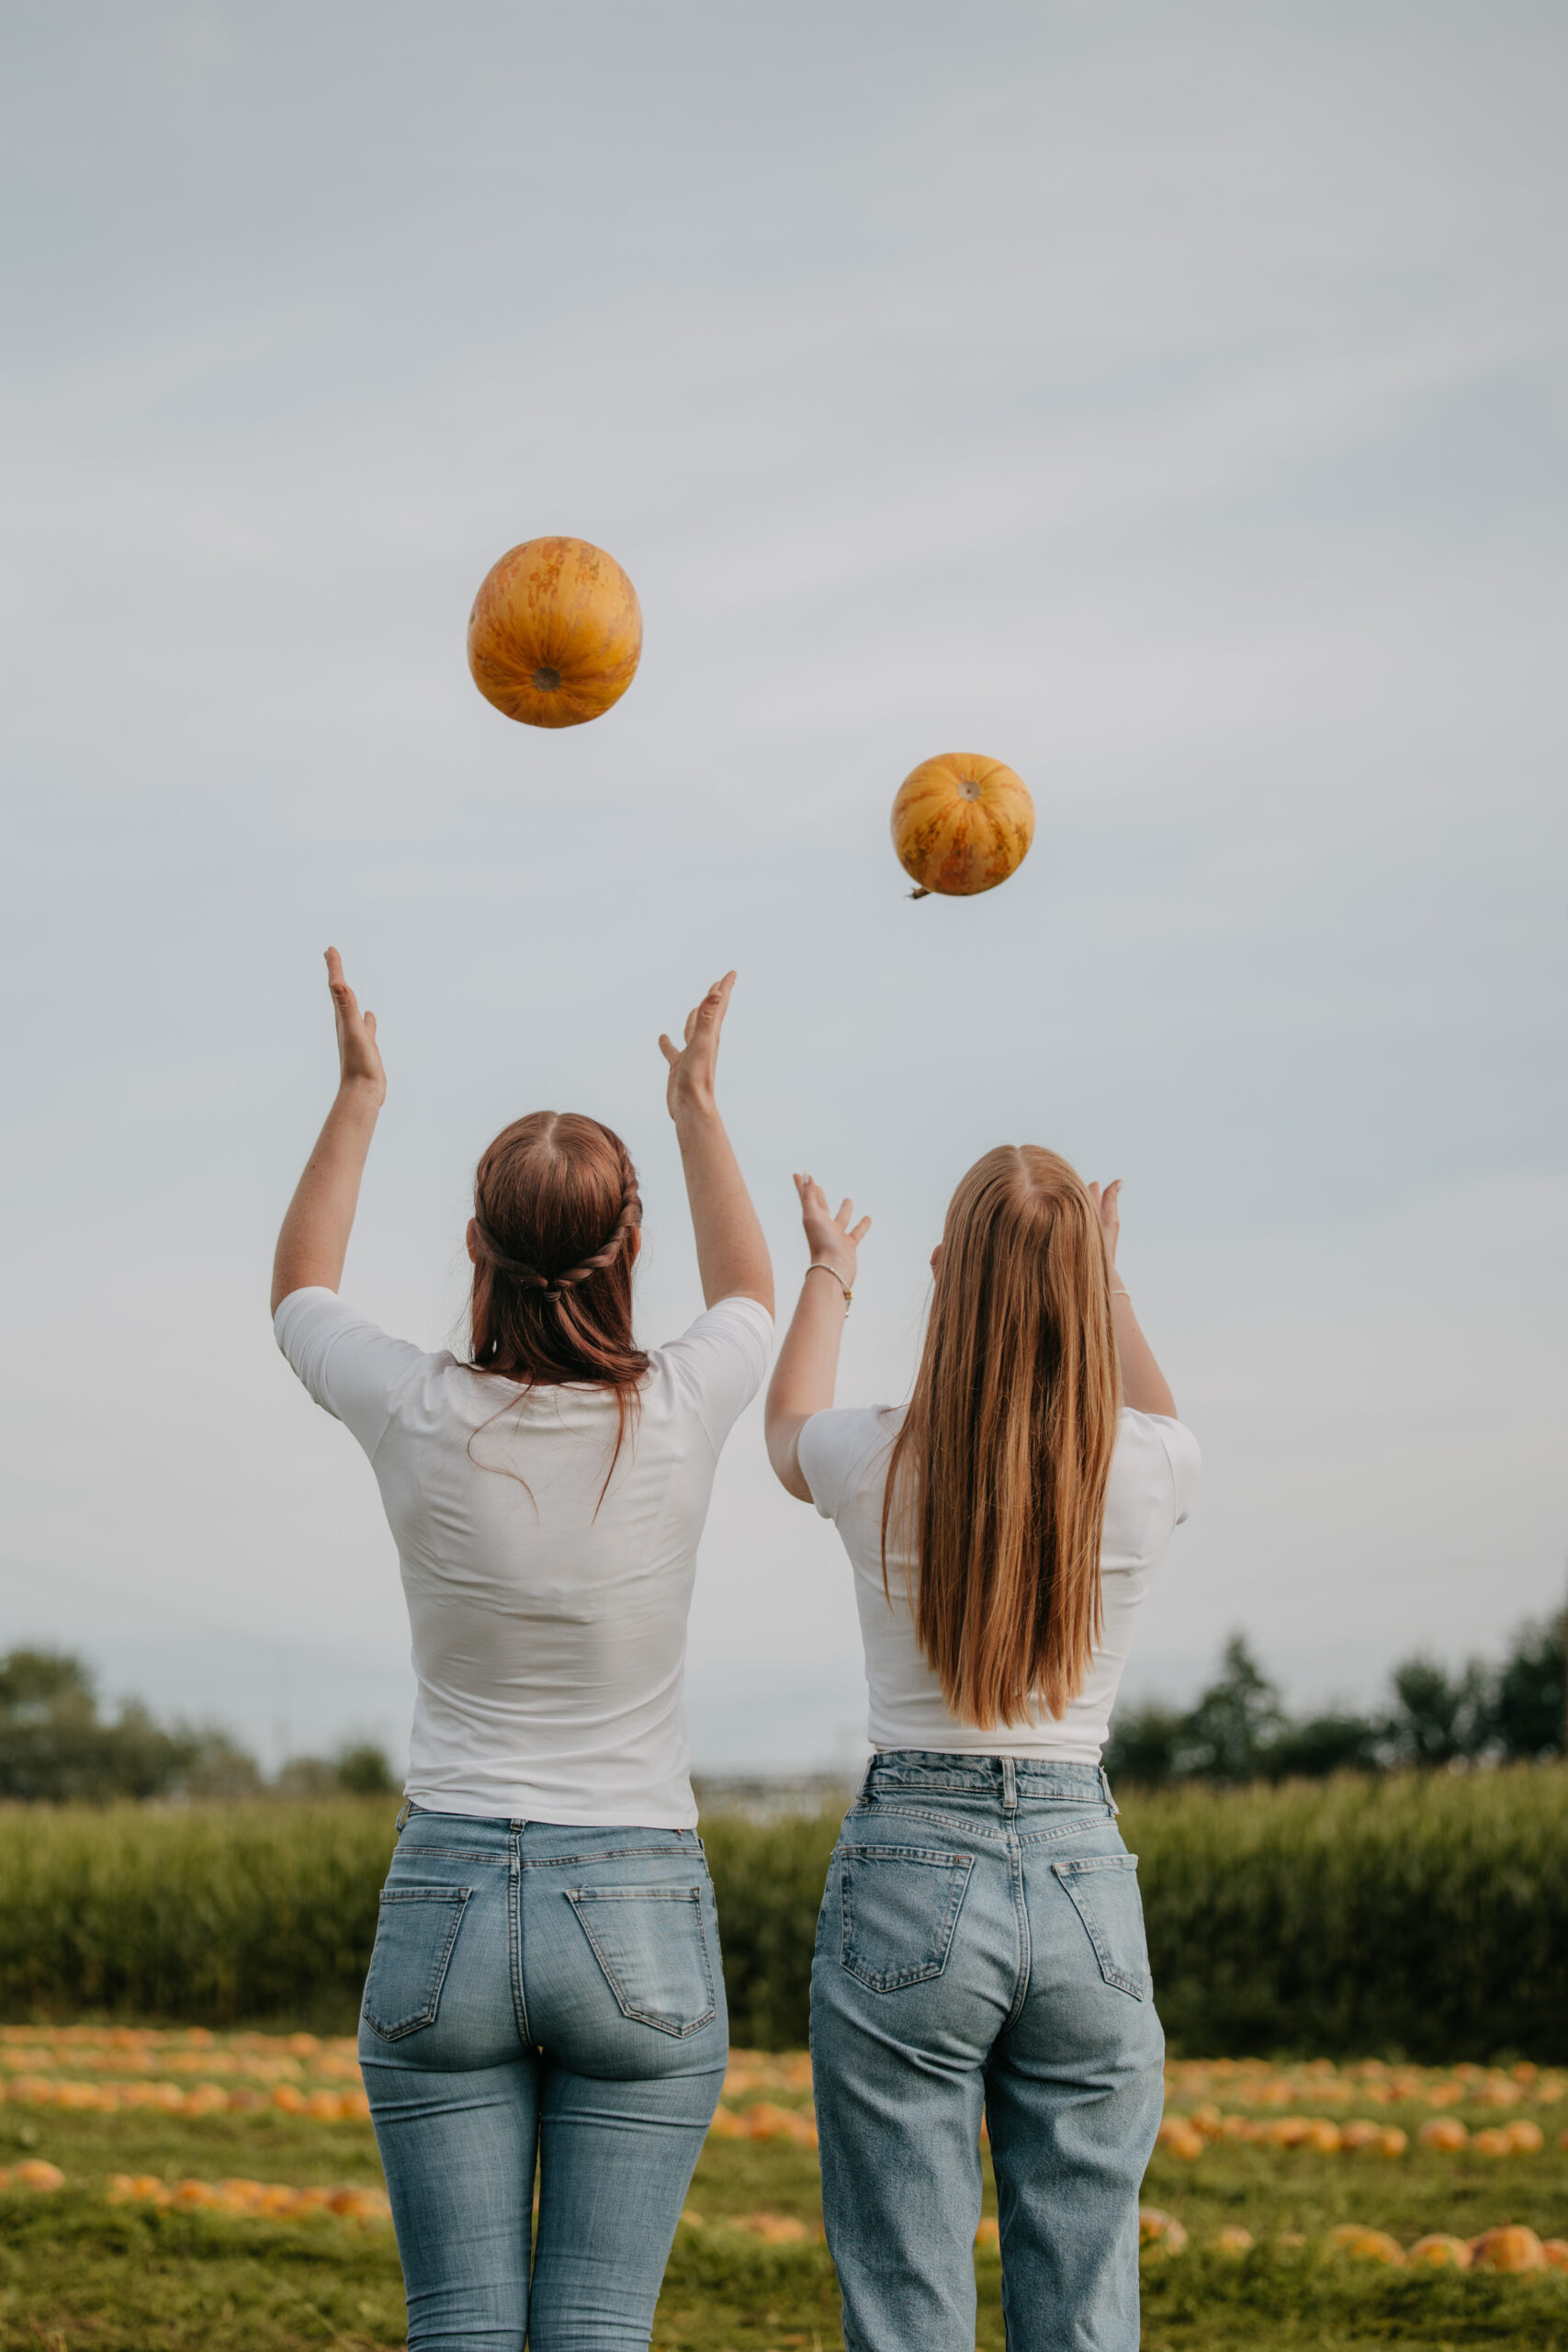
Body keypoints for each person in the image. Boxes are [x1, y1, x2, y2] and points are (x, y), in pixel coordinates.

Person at [270, 949, 773, 2352]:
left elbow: (299, 1290)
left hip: (448, 1899)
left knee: (461, 2327)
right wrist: (696, 1108)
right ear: (627, 1252)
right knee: (600, 2327)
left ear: (477, 1248)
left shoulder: (412, 1408)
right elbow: (752, 1293)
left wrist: (361, 1095)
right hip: (634, 1899)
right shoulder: (678, 1410)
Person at [764, 1148, 1199, 2352]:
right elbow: (1164, 1418)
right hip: (1083, 1886)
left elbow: (786, 1425)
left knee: (906, 2294)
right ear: (1080, 1289)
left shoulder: (872, 1457)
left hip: (912, 1870)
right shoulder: (1146, 1469)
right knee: (1086, 2281)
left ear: (946, 1275)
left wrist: (830, 1276)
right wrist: (1105, 1284)